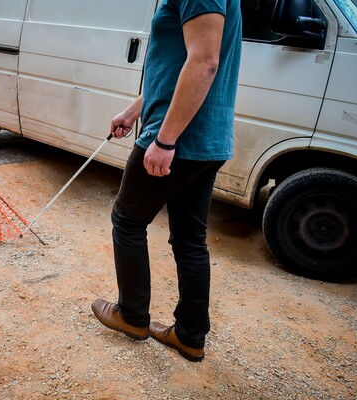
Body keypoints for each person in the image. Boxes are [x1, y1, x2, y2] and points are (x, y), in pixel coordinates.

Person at [91, 0, 242, 362]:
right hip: (209, 139)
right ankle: (190, 336)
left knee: (127, 221)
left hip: (181, 138)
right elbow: (177, 65)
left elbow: (204, 63)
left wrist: (165, 140)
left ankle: (132, 316)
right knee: (190, 240)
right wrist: (132, 111)